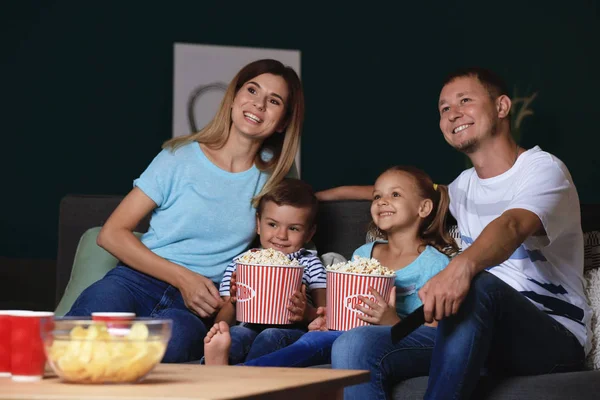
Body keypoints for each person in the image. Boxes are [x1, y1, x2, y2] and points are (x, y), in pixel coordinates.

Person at [331, 67, 591, 399]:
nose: (454, 114)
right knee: (356, 344)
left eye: (465, 100)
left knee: (480, 283)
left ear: (501, 107)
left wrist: (462, 266)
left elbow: (511, 225)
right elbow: (405, 197)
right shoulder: (462, 186)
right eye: (444, 109)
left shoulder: (543, 170)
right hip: (473, 332)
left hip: (550, 337)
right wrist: (323, 196)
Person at [66, 59, 305, 363]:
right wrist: (183, 278)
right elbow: (111, 234)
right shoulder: (178, 157)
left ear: (283, 121)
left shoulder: (274, 178)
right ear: (233, 97)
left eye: (273, 101)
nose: (258, 105)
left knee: (175, 341)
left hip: (197, 305)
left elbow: (299, 217)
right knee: (85, 327)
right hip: (136, 280)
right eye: (252, 90)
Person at [203, 165, 458, 367]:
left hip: (384, 339)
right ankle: (219, 371)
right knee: (311, 339)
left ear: (424, 207)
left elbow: (433, 334)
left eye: (395, 195)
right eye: (377, 195)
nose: (381, 201)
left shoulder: (437, 264)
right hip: (343, 333)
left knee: (299, 341)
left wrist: (391, 320)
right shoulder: (362, 254)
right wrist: (321, 320)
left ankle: (238, 375)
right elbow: (335, 310)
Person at [207, 177, 326, 365]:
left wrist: (307, 313)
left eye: (293, 228)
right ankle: (216, 362)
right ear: (258, 224)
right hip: (246, 325)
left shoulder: (310, 263)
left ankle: (238, 376)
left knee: (270, 336)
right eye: (272, 224)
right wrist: (232, 301)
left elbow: (325, 314)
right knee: (236, 334)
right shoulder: (241, 263)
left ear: (309, 233)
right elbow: (221, 322)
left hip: (290, 330)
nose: (281, 235)